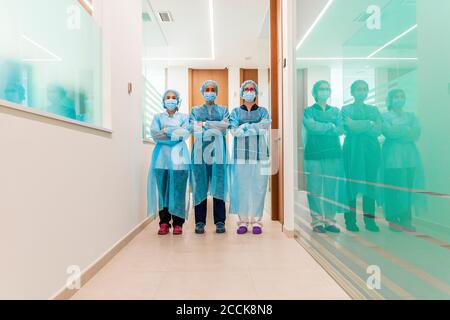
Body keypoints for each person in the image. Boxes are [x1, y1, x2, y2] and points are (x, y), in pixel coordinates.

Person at [229, 80, 272, 235]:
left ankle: (256, 220)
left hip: (260, 155)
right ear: (242, 92)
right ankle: (242, 221)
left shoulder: (262, 111)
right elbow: (234, 131)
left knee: (259, 187)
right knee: (242, 187)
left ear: (255, 92)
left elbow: (264, 127)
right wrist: (254, 127)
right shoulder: (235, 112)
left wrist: (245, 127)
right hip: (241, 155)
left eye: (251, 89)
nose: (249, 91)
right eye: (246, 89)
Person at [147, 89, 191, 235]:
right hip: (161, 160)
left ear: (178, 101)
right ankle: (164, 222)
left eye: (173, 98)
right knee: (163, 192)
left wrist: (167, 131)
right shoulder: (158, 117)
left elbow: (184, 135)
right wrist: (175, 132)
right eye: (168, 98)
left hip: (179, 159)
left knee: (178, 190)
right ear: (163, 101)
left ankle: (178, 223)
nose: (171, 100)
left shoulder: (184, 117)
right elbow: (155, 135)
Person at [303, 80, 344, 234]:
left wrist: (324, 126)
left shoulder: (336, 111)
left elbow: (340, 129)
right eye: (321, 89)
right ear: (315, 92)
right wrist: (330, 126)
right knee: (314, 189)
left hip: (333, 153)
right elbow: (312, 127)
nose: (324, 91)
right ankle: (317, 221)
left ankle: (330, 221)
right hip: (314, 153)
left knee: (330, 188)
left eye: (327, 89)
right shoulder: (308, 111)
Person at [190, 80, 230, 234]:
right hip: (200, 152)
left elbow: (225, 127)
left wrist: (204, 124)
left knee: (219, 185)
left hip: (218, 152)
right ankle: (199, 222)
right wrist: (216, 124)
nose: (210, 91)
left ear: (217, 92)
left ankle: (220, 222)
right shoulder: (195, 110)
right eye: (207, 89)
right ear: (202, 91)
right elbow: (194, 128)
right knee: (199, 186)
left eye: (213, 89)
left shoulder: (223, 110)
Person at [341, 80, 382, 232]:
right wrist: (369, 123)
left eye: (365, 89)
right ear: (352, 92)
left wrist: (358, 124)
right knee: (351, 185)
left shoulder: (374, 109)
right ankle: (350, 221)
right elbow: (349, 127)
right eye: (359, 89)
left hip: (371, 151)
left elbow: (378, 130)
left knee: (370, 185)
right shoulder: (346, 109)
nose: (362, 92)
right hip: (352, 151)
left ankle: (370, 222)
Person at [382, 89, 424, 232]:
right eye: (396, 97)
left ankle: (406, 220)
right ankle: (393, 220)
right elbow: (388, 132)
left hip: (410, 159)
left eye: (402, 97)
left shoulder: (411, 116)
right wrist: (406, 129)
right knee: (393, 190)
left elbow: (416, 134)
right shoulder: (384, 116)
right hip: (392, 159)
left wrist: (399, 130)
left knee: (408, 190)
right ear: (390, 99)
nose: (399, 99)